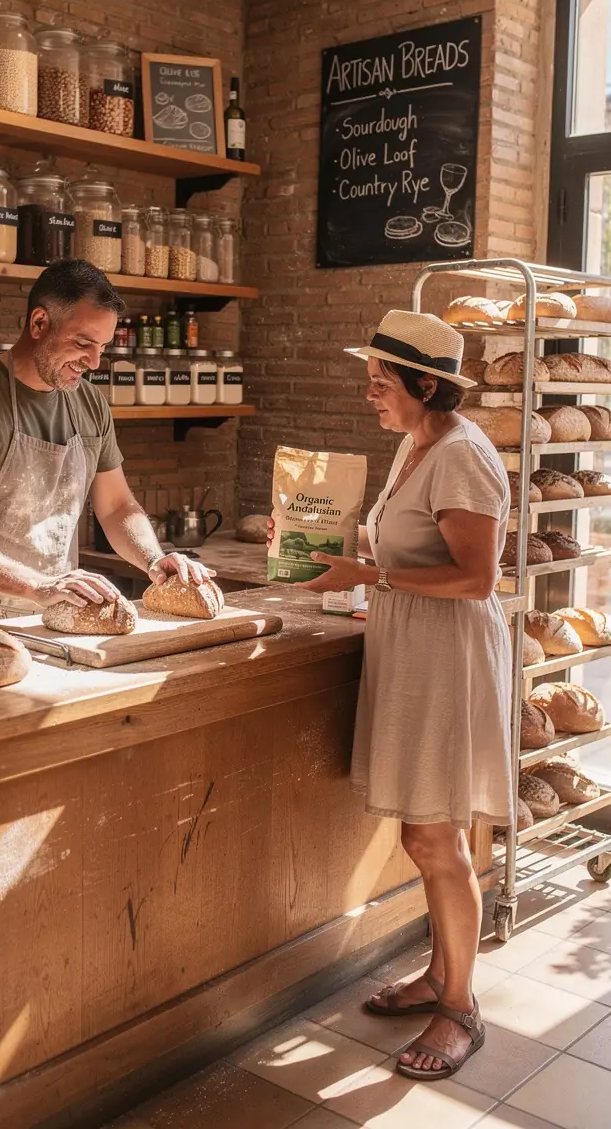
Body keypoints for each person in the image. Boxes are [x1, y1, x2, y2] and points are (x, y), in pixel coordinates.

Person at [292, 310, 512, 1082]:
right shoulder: (413, 445)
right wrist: (324, 542)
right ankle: (439, 977)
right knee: (424, 835)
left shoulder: (462, 456)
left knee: (439, 840)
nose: (368, 394)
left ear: (426, 384)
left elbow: (479, 579)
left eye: (381, 383)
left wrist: (370, 577)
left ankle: (460, 1009)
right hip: (414, 648)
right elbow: (402, 543)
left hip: (446, 658)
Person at [0, 258, 213, 630]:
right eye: (83, 343)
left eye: (102, 347)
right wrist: (37, 585)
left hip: (58, 612)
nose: (94, 361)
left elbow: (117, 506)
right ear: (39, 323)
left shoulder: (89, 402)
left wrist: (153, 560)